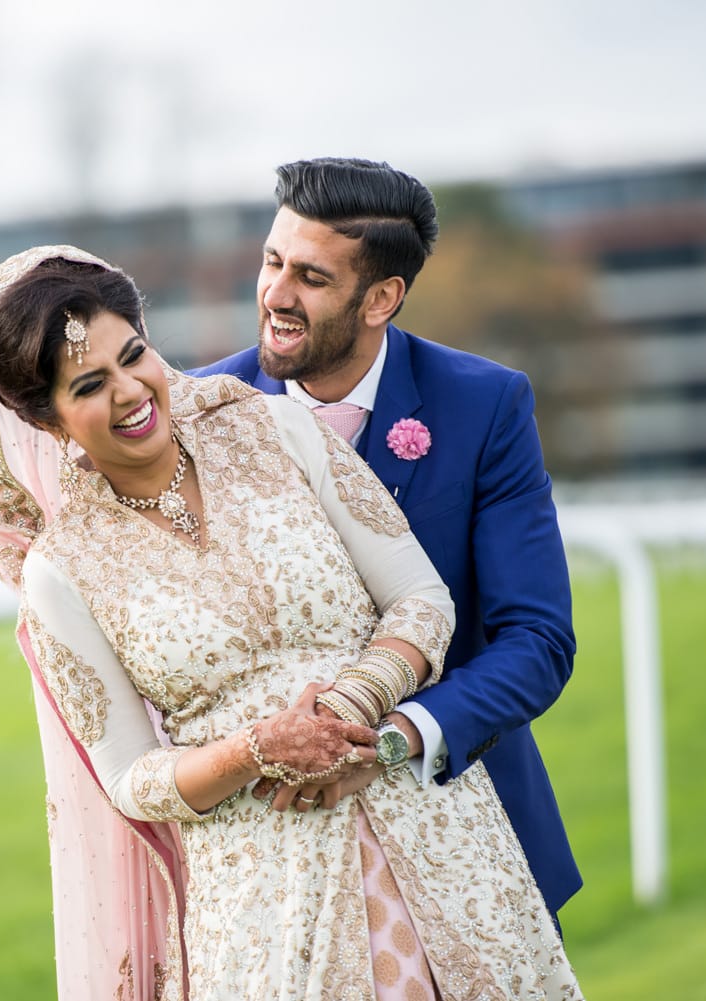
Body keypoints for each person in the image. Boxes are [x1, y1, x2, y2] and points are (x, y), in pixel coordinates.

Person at [0, 245, 581, 999]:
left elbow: (423, 598)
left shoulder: (278, 431)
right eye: (91, 384)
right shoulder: (61, 572)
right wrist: (257, 749)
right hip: (264, 899)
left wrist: (349, 714)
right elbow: (129, 777)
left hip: (433, 835)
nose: (130, 391)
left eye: (134, 355)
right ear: (46, 419)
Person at [192, 158, 581, 923]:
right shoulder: (201, 416)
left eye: (311, 276)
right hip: (275, 862)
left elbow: (537, 639)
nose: (275, 294)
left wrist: (395, 737)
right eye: (273, 261)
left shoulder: (486, 405)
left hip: (471, 828)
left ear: (382, 298)